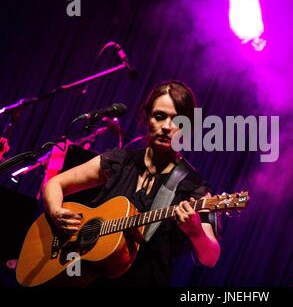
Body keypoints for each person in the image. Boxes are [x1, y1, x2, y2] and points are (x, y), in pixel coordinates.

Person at [43, 80, 221, 286]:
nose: (166, 127)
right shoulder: (119, 160)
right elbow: (55, 183)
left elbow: (211, 257)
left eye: (178, 121)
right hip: (89, 277)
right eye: (159, 116)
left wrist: (196, 231)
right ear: (147, 118)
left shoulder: (194, 187)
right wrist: (56, 212)